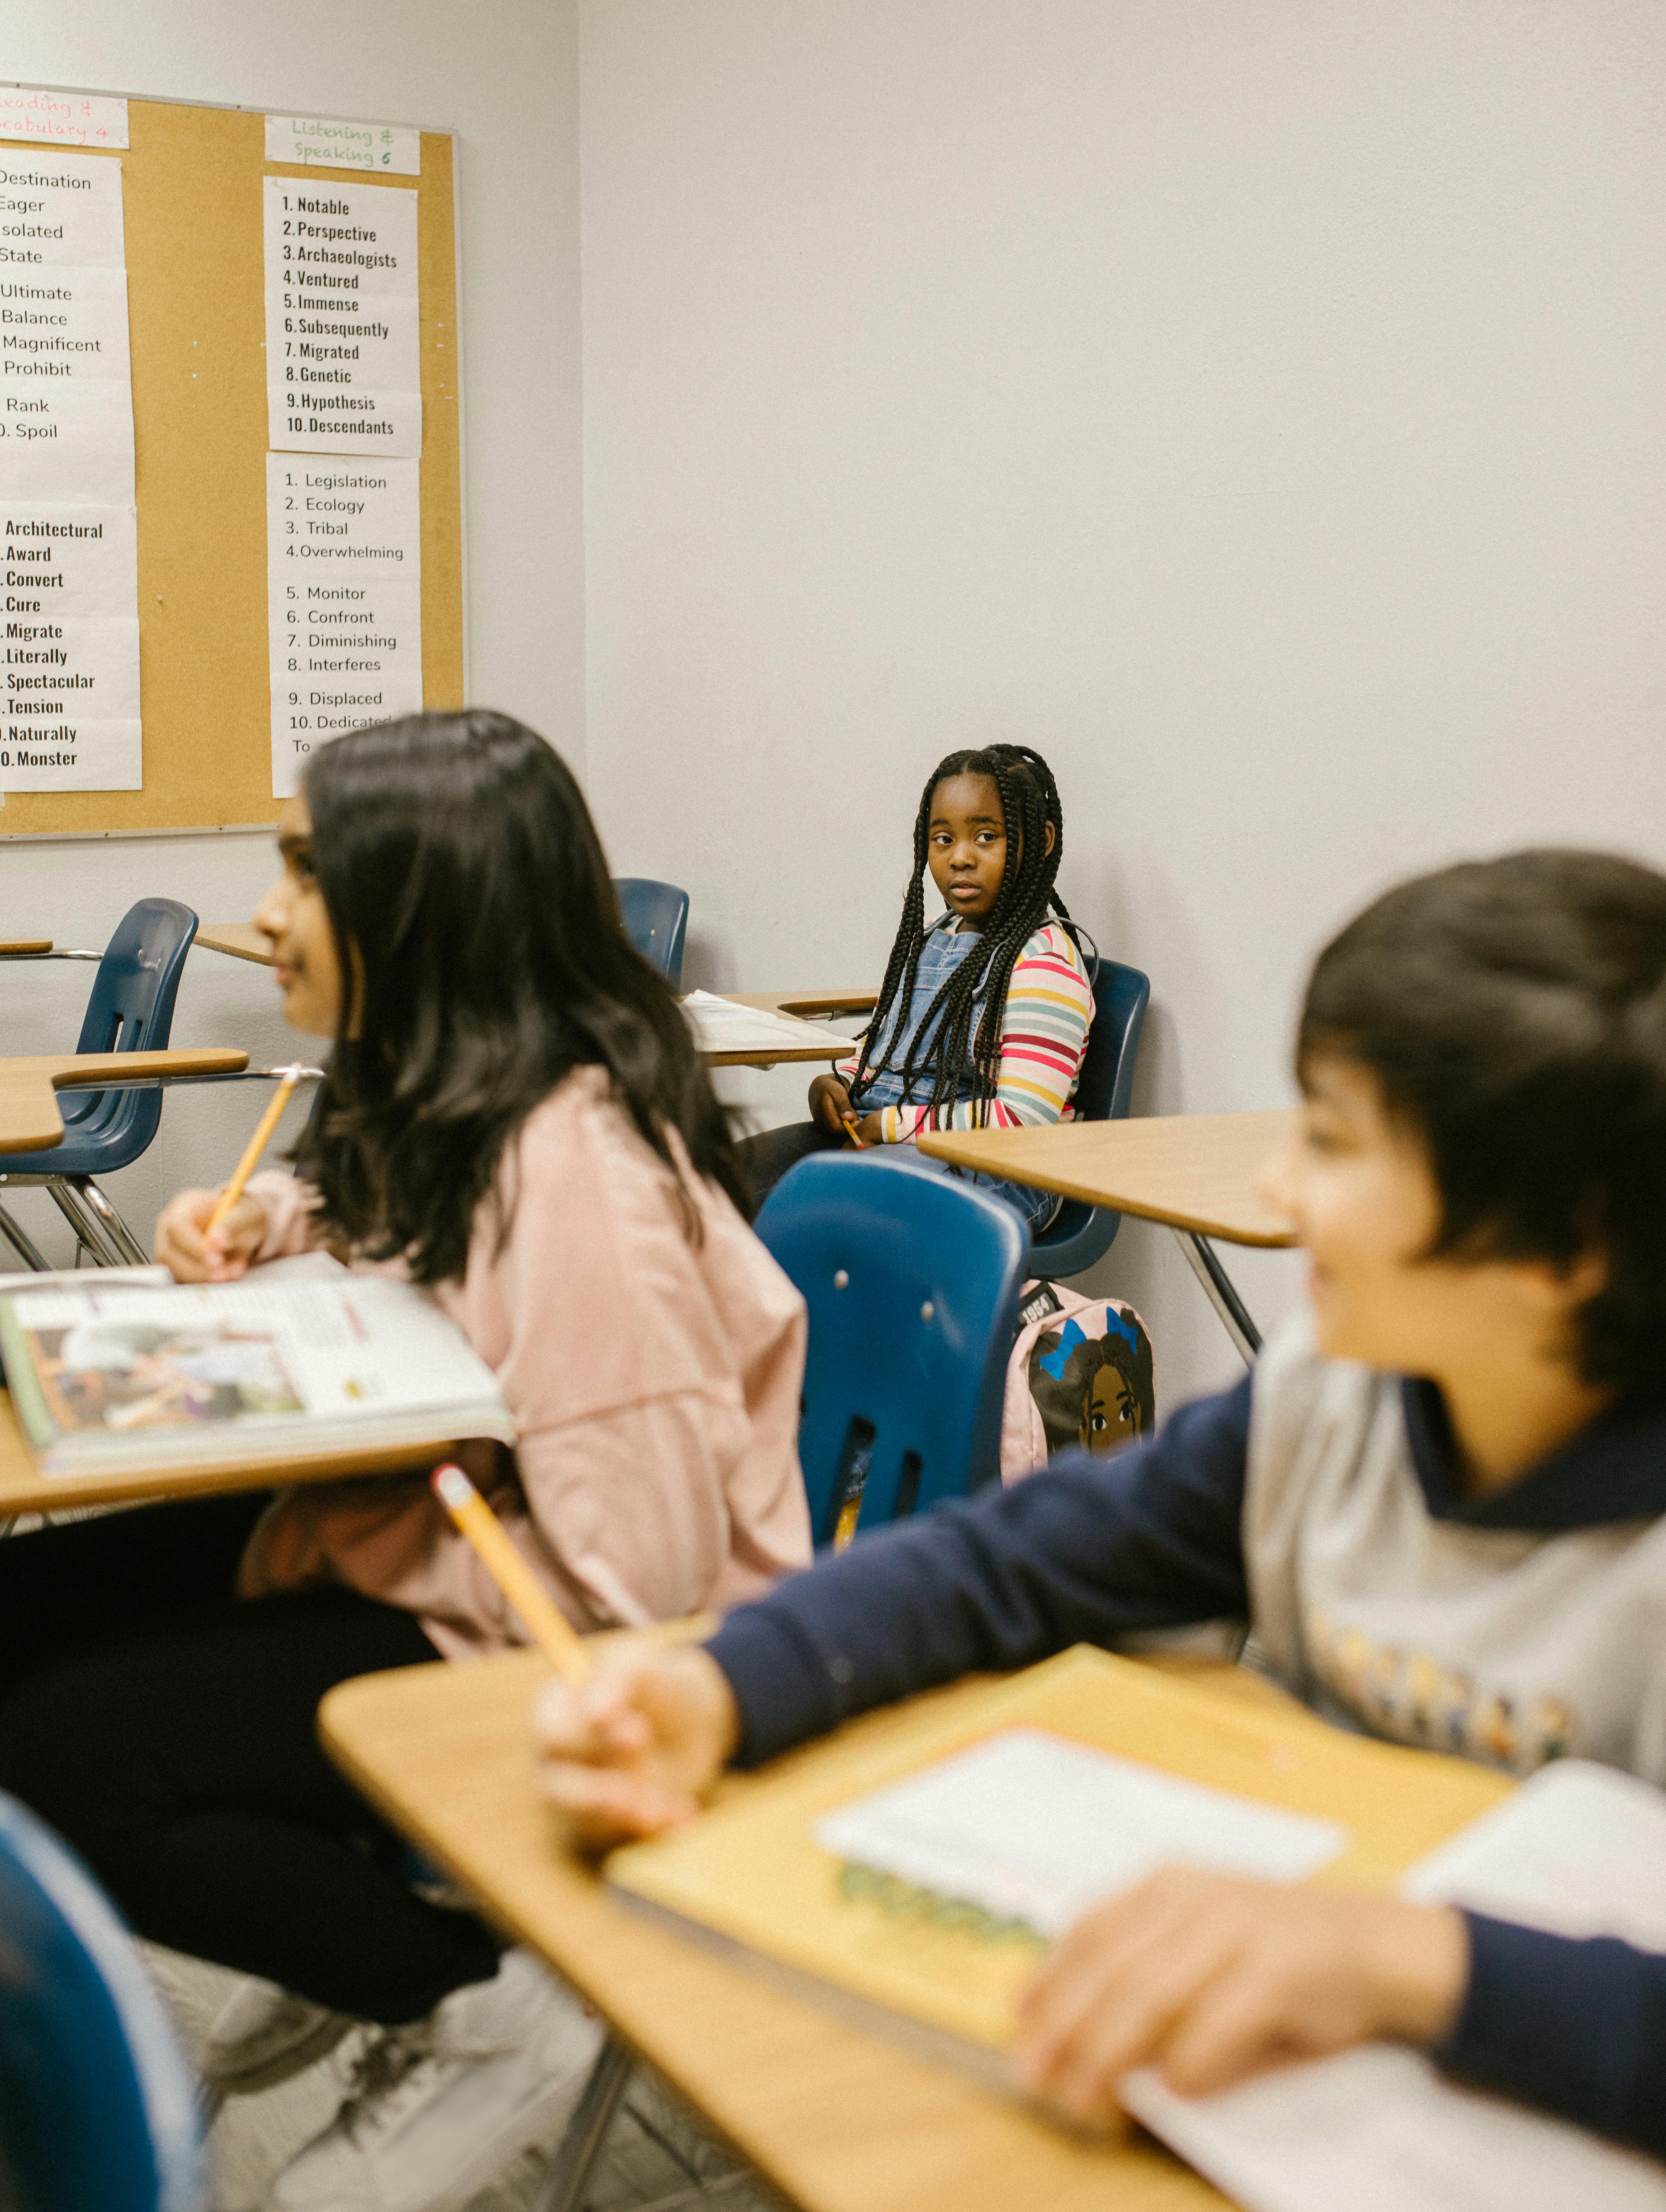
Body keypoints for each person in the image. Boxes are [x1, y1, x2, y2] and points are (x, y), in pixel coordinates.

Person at [538, 849, 1666, 2161]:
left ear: (1569, 1246)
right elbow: (1013, 1562)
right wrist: (727, 1686)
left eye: (1338, 1146)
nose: (1283, 1192)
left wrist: (1415, 1961)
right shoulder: (1330, 1406)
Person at [0, 710, 811, 2212]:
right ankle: (350, 1923)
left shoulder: (579, 1172)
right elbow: (392, 1225)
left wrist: (347, 1490)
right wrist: (272, 1226)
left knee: (63, 1749)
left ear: (421, 903)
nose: (266, 908)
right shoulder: (460, 1098)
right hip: (417, 1536)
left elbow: (637, 1583)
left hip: (555, 1643)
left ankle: (475, 1989)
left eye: (307, 870)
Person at [740, 742, 1094, 1230]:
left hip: (1001, 1166)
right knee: (717, 1176)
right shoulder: (930, 937)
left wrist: (888, 1127)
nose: (960, 858)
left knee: (836, 1205)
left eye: (986, 836)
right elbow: (889, 1043)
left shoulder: (1044, 963)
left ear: (1042, 839)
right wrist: (839, 1083)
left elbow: (1020, 1121)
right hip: (886, 1136)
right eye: (943, 839)